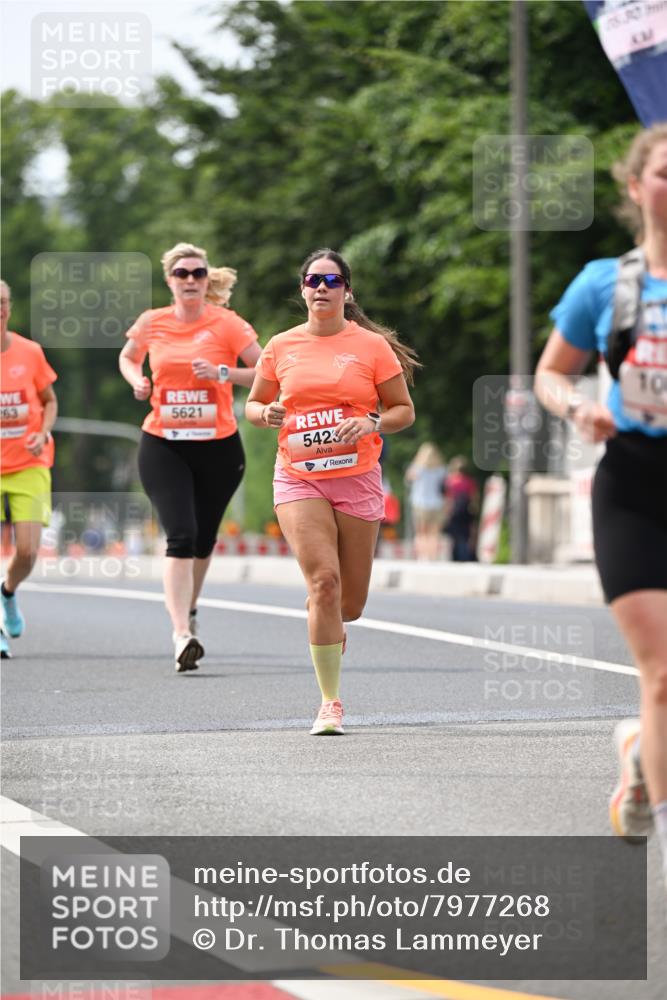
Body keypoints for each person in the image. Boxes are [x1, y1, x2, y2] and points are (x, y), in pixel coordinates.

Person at [534, 124, 667, 888]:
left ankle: (640, 764)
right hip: (633, 485)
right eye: (663, 173)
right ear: (634, 186)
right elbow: (552, 372)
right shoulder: (603, 284)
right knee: (659, 674)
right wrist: (576, 408)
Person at [246, 248, 418, 734]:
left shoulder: (370, 346)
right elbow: (254, 404)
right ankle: (330, 703)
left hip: (358, 477)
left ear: (347, 291)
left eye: (331, 280)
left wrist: (370, 423)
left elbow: (403, 410)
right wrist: (267, 414)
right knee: (323, 581)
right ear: (302, 290)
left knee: (349, 604)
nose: (321, 288)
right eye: (312, 280)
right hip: (298, 475)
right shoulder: (280, 346)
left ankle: (327, 619)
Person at [119, 243, 261, 671]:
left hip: (218, 447)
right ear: (169, 281)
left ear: (206, 278)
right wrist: (136, 380)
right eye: (182, 274)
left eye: (198, 273)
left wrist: (223, 373)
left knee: (202, 540)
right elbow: (127, 358)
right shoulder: (152, 322)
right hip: (164, 443)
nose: (191, 280)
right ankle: (182, 633)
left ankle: (190, 609)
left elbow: (267, 370)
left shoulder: (227, 324)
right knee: (180, 535)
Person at [0, 279, 58, 659]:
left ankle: (7, 593)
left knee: (28, 551)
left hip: (28, 462)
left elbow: (49, 400)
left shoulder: (29, 352)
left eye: (3, 302)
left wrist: (43, 431)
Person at [404, 442, 447, 560]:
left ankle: (422, 555)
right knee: (434, 532)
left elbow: (408, 480)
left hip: (420, 502)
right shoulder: (441, 469)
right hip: (436, 502)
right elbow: (444, 486)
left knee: (421, 531)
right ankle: (432, 555)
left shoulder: (417, 468)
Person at [444, 455, 478, 562]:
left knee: (455, 536)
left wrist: (447, 512)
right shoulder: (469, 481)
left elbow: (448, 498)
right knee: (467, 535)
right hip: (466, 511)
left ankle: (456, 557)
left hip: (454, 511)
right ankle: (466, 556)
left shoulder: (450, 481)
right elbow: (474, 497)